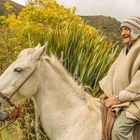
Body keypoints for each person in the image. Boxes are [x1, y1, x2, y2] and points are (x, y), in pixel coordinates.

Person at [99, 16, 140, 140]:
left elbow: (138, 87)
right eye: (122, 30)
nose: (123, 33)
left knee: (119, 131)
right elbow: (113, 73)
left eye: (127, 29)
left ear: (136, 31)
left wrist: (116, 98)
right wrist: (108, 93)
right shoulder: (125, 50)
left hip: (136, 102)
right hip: (124, 100)